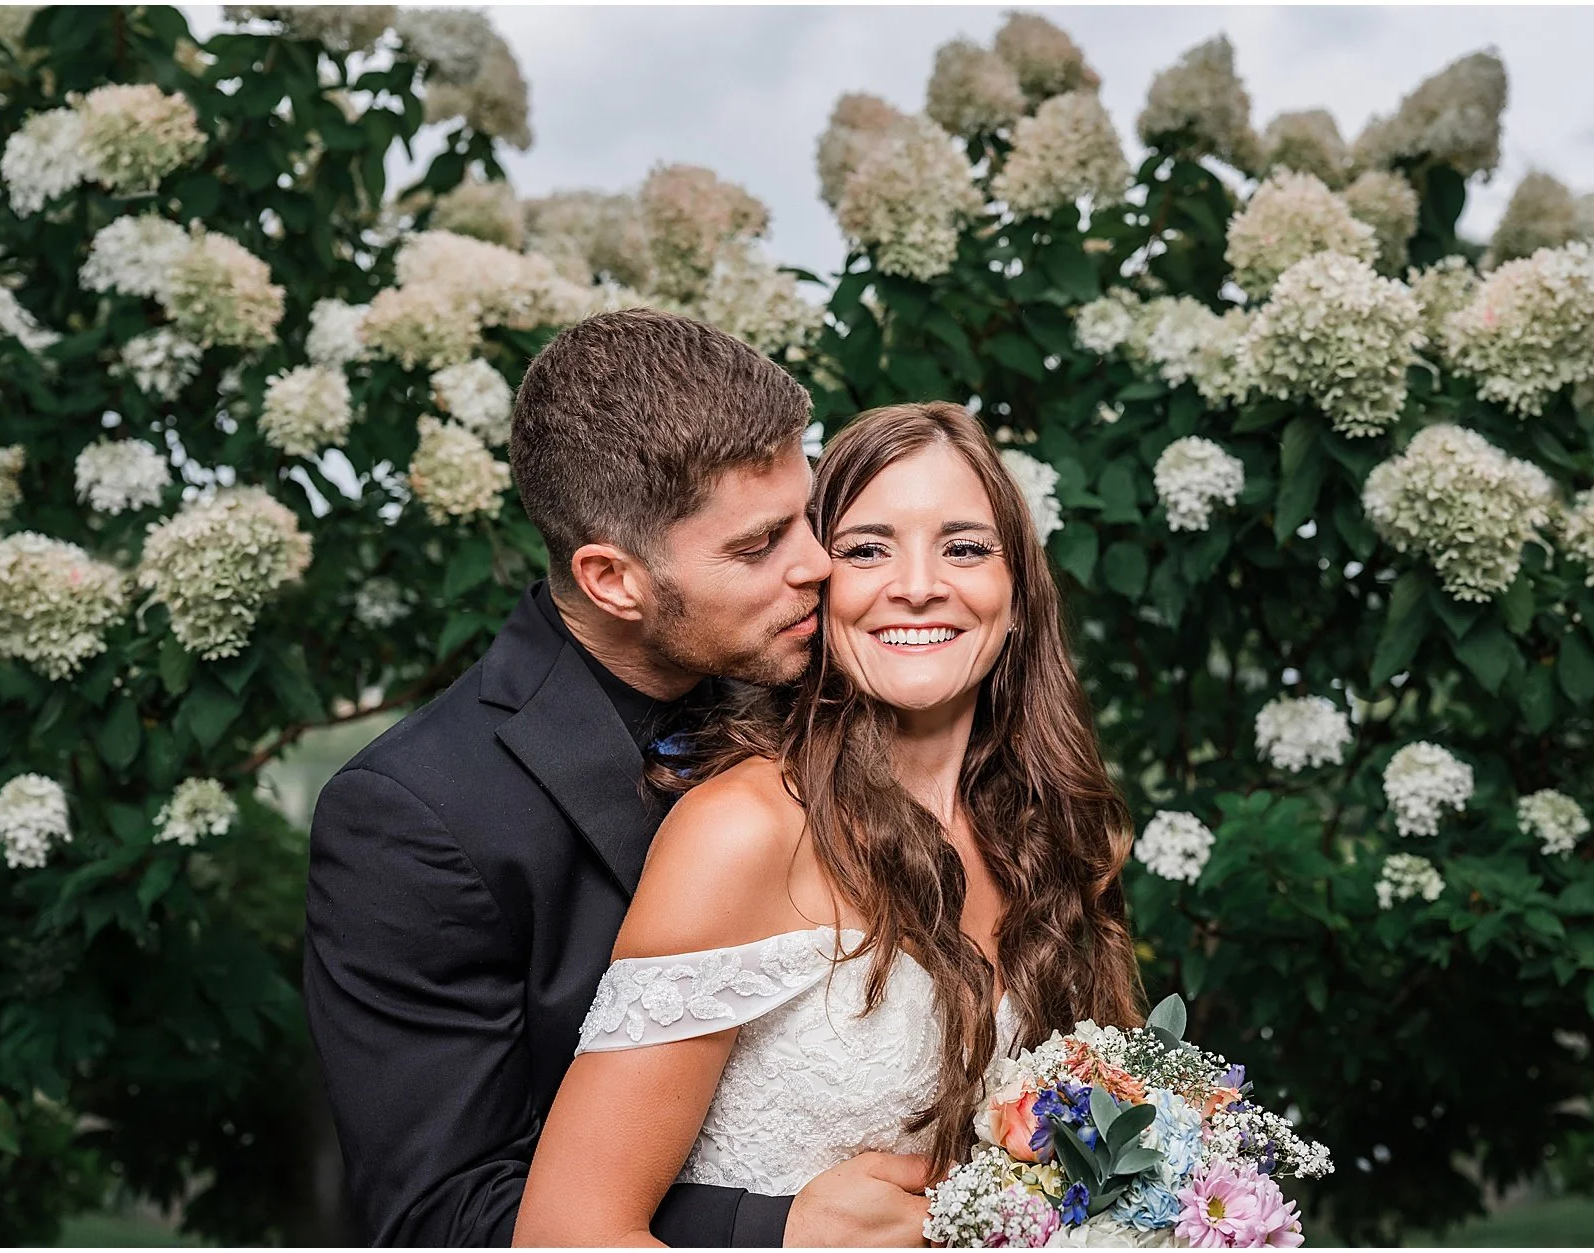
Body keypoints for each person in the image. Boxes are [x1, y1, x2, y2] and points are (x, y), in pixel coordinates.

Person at [303, 310, 932, 1246]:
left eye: (806, 515)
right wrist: (774, 1229)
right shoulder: (415, 816)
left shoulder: (836, 684)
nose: (815, 563)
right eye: (757, 546)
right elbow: (441, 1211)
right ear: (613, 579)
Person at [512, 402, 1144, 1247]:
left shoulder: (1050, 841)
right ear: (813, 584)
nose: (918, 584)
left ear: (1018, 592)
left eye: (962, 546)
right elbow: (564, 1233)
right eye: (866, 548)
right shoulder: (743, 829)